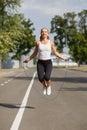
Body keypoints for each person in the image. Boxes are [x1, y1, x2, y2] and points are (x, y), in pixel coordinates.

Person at [24, 28, 67, 95]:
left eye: (45, 32)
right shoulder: (38, 43)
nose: (44, 33)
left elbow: (55, 52)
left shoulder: (51, 43)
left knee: (47, 77)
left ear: (47, 33)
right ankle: (44, 86)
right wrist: (28, 59)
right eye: (42, 32)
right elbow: (35, 53)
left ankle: (49, 86)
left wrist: (63, 58)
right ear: (41, 33)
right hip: (40, 63)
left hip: (48, 63)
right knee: (41, 78)